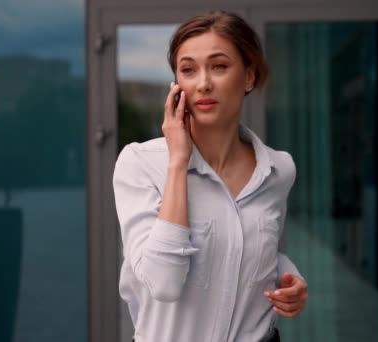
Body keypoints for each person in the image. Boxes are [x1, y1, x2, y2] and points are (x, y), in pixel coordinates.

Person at [113, 10, 308, 342]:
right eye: (188, 70)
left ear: (249, 76)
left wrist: (289, 278)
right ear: (178, 84)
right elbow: (163, 282)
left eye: (219, 66)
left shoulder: (278, 169)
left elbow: (251, 243)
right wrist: (178, 161)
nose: (203, 83)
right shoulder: (139, 163)